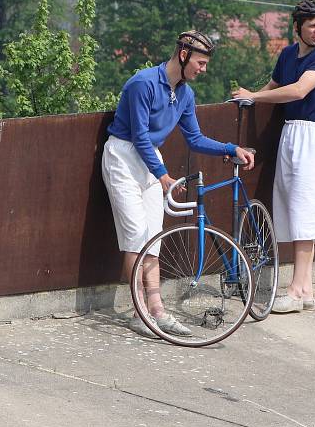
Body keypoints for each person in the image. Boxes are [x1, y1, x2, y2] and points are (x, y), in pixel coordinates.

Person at [102, 30, 255, 338]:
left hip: (150, 161)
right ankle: (139, 312)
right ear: (183, 56)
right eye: (200, 62)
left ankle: (157, 309)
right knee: (135, 237)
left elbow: (194, 138)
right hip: (123, 156)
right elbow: (139, 135)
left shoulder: (185, 94)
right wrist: (163, 175)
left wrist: (230, 149)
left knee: (153, 237)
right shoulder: (143, 83)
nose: (203, 69)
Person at [232, 0, 315, 313]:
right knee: (291, 206)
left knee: (306, 207)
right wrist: (251, 97)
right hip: (291, 132)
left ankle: (294, 290)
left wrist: (256, 96)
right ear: (298, 28)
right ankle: (305, 289)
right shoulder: (289, 54)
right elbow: (275, 85)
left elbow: (298, 90)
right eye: (312, 25)